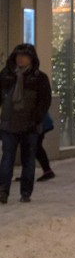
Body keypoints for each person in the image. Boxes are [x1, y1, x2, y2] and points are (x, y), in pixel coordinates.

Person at [0, 43, 52, 204]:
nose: (20, 59)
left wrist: (35, 119)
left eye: (24, 56)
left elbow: (44, 102)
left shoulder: (39, 78)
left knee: (28, 159)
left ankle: (26, 192)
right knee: (7, 158)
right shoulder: (6, 76)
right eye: (18, 56)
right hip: (8, 125)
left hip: (30, 126)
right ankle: (3, 191)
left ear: (31, 59)